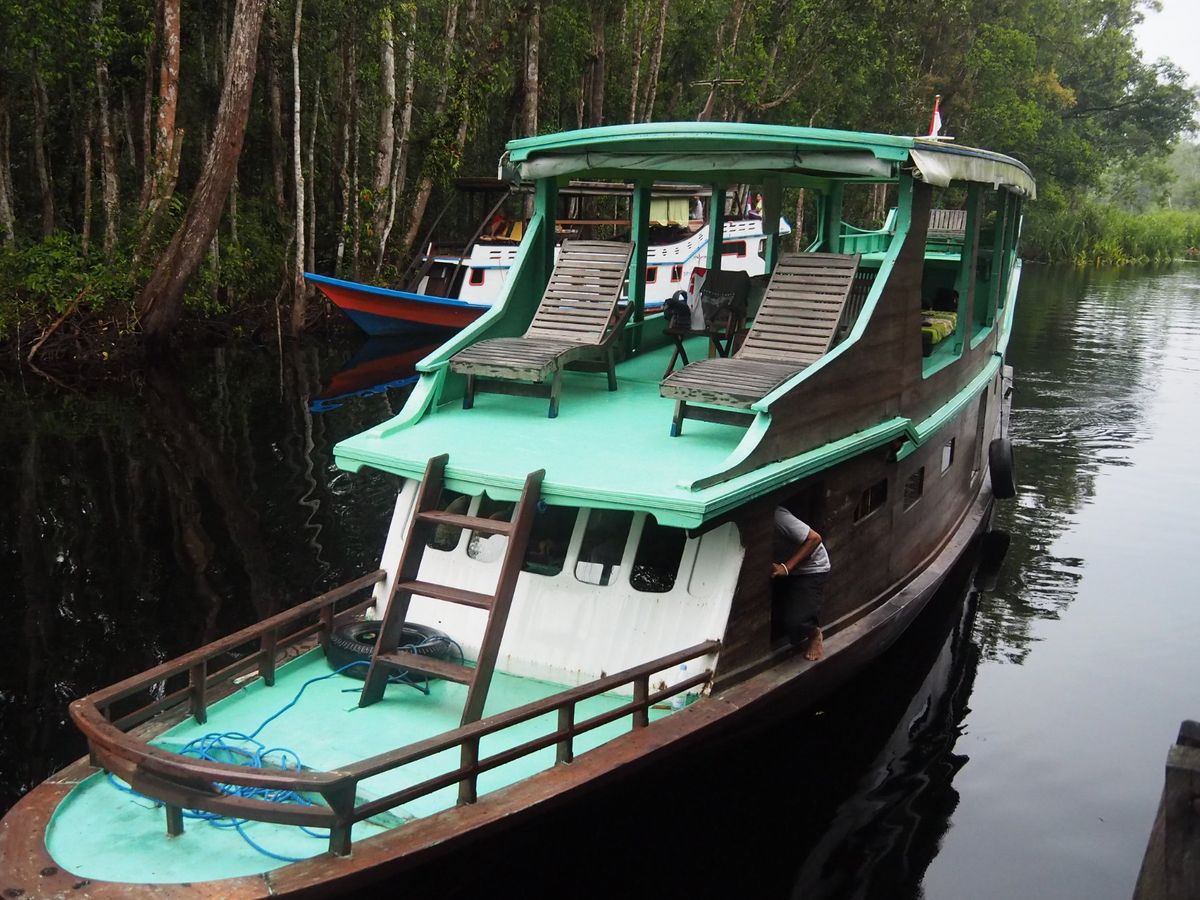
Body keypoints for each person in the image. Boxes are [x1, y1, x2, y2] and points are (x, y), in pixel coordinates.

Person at [771, 506, 831, 660]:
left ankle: (815, 634)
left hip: (811, 568)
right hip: (784, 565)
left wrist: (786, 567)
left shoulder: (779, 517)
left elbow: (815, 538)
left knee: (798, 621)